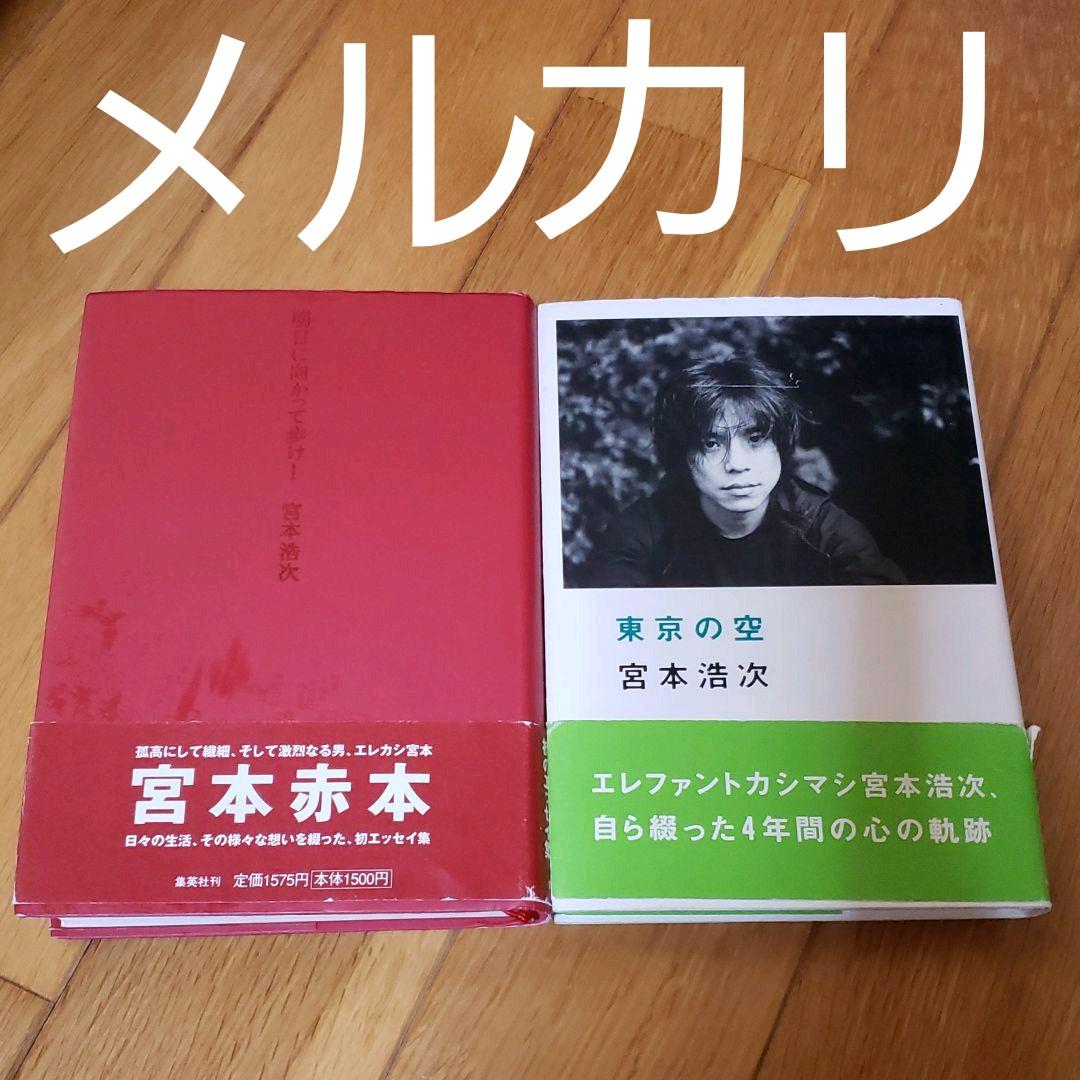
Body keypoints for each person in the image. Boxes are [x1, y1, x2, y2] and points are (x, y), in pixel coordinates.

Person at [584, 353, 906, 587]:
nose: (736, 464)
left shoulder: (822, 528)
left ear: (780, 444)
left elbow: (887, 614)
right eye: (711, 443)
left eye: (755, 439)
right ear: (682, 454)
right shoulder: (641, 534)